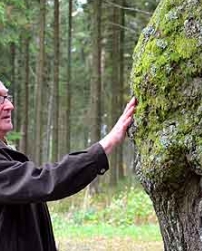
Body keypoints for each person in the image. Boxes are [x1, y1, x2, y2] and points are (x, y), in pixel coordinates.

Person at [0, 80, 136, 251]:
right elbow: (44, 181)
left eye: (6, 97)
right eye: (0, 100)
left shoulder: (7, 153)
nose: (10, 105)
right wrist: (106, 144)